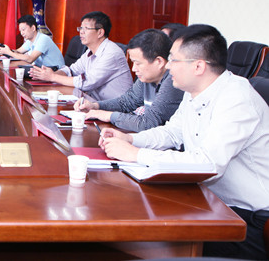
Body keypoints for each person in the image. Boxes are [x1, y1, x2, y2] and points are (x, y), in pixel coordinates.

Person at [99, 24, 269, 260]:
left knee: (141, 243)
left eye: (173, 60)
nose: (167, 66)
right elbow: (172, 132)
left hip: (248, 220)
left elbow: (207, 164)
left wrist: (135, 154)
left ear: (198, 66)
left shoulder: (236, 98)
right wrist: (130, 138)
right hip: (208, 201)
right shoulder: (194, 91)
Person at [74, 29, 184, 132]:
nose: (134, 69)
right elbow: (126, 102)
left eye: (138, 63)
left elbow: (148, 123)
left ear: (159, 62)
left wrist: (108, 115)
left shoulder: (173, 81)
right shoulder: (147, 77)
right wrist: (95, 106)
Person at [30, 11, 132, 100]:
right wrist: (51, 74)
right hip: (94, 104)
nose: (81, 32)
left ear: (100, 32)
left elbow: (87, 83)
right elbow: (72, 71)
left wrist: (53, 77)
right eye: (81, 28)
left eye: (86, 28)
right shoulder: (89, 52)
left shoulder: (111, 53)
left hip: (115, 111)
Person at [0, 14, 65, 68]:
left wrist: (9, 52)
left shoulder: (43, 39)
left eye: (23, 30)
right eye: (20, 31)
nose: (22, 33)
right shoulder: (29, 40)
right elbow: (18, 51)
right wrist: (5, 50)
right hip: (44, 71)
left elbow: (30, 59)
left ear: (33, 28)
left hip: (57, 72)